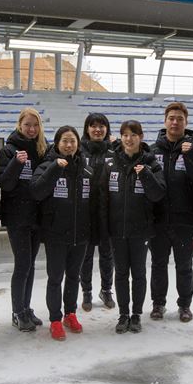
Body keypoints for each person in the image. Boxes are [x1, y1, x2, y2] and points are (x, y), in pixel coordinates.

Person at [100, 120, 166, 334]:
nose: (129, 139)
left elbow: (158, 194)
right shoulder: (111, 163)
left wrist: (145, 174)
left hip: (141, 229)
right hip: (117, 229)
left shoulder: (151, 162)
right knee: (120, 274)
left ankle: (136, 314)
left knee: (138, 273)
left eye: (133, 135)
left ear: (141, 137)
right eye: (125, 135)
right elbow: (102, 197)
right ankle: (123, 314)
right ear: (121, 137)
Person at [149, 102, 193, 322]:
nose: (175, 122)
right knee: (158, 264)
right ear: (165, 121)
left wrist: (191, 154)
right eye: (171, 118)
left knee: (184, 266)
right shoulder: (152, 150)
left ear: (186, 122)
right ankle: (158, 304)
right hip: (157, 220)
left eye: (180, 119)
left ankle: (185, 305)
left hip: (185, 220)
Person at [31, 126, 93, 340]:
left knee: (74, 277)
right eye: (65, 141)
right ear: (57, 143)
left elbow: (94, 202)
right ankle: (55, 319)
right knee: (55, 277)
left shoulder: (86, 169)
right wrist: (55, 169)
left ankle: (70, 313)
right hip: (55, 235)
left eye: (73, 141)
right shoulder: (48, 165)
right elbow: (37, 191)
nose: (69, 145)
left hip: (80, 235)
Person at [0, 107, 48, 332]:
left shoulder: (42, 149)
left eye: (35, 125)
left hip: (36, 215)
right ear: (19, 125)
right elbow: (4, 182)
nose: (31, 129)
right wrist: (17, 163)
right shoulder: (8, 150)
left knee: (31, 264)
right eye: (27, 125)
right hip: (17, 215)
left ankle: (26, 307)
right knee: (22, 263)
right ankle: (17, 311)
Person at [79, 113, 115, 312]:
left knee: (107, 255)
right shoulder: (79, 150)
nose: (97, 129)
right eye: (93, 126)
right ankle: (86, 292)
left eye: (101, 126)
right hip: (85, 212)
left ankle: (106, 290)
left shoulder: (114, 150)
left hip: (107, 211)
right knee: (85, 255)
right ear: (87, 129)